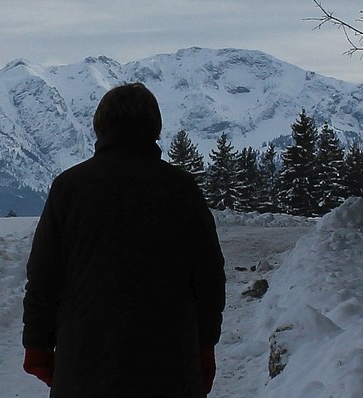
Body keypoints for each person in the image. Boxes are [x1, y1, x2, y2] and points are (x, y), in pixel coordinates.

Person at [21, 83, 225, 397]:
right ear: (154, 128)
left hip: (83, 366)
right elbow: (208, 279)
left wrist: (37, 345)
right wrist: (204, 345)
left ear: (100, 127)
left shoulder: (69, 188)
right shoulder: (181, 189)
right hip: (170, 366)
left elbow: (44, 277)